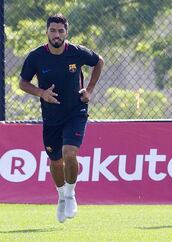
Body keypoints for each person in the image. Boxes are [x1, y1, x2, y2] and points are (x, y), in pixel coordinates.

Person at [19, 13, 104, 223]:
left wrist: (90, 89)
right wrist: (41, 93)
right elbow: (23, 83)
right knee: (55, 161)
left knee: (69, 153)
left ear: (66, 32)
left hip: (76, 111)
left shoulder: (76, 52)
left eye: (61, 31)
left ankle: (71, 194)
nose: (57, 34)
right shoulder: (36, 56)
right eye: (53, 30)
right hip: (51, 117)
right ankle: (60, 198)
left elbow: (99, 61)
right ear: (47, 32)